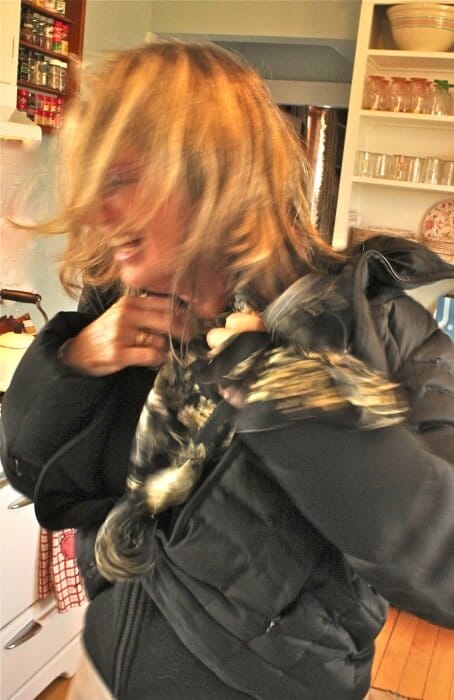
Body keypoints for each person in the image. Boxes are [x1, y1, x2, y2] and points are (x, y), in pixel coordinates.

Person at [1, 41, 453, 700]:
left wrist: (282, 392)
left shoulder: (381, 328)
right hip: (102, 664)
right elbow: (30, 473)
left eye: (121, 177)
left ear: (214, 173)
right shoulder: (120, 307)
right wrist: (73, 363)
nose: (97, 211)